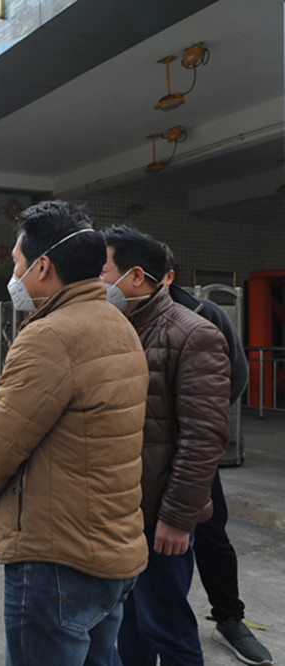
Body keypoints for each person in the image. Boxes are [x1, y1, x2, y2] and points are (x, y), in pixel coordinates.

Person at [0, 201, 150, 666]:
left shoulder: (51, 335)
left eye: (17, 263)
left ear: (43, 266)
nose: (14, 275)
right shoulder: (118, 324)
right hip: (112, 543)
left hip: (57, 557)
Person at [102, 225, 231, 666]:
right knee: (127, 625)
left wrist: (177, 518)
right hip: (121, 512)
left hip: (161, 517)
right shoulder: (116, 329)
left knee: (166, 627)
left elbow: (204, 437)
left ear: (136, 276)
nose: (96, 282)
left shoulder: (193, 333)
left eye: (102, 271)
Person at [164, 260, 273, 666]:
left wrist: (201, 421)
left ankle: (229, 618)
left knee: (211, 533)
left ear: (165, 275)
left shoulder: (202, 314)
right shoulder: (119, 313)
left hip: (193, 447)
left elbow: (236, 375)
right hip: (138, 451)